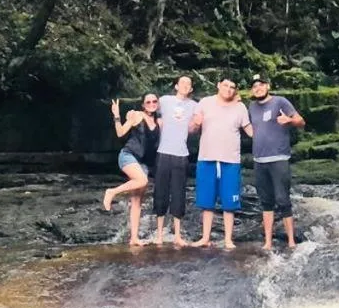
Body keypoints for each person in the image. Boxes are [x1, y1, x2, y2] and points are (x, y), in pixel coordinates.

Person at [190, 78, 252, 250]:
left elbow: (250, 130)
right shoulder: (205, 102)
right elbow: (193, 128)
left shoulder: (240, 107)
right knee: (206, 201)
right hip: (206, 157)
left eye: (232, 87)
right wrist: (196, 123)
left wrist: (270, 131)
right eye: (225, 85)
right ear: (218, 85)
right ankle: (205, 238)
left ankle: (228, 239)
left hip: (230, 160)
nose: (228, 89)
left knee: (229, 204)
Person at [247, 73, 305, 250]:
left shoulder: (280, 102)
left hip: (279, 158)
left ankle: (291, 241)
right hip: (259, 160)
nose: (258, 88)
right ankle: (268, 242)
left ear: (268, 86)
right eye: (255, 86)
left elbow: (301, 121)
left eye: (261, 85)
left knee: (283, 200)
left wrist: (290, 120)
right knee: (266, 202)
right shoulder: (251, 107)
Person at [103, 94, 160, 246]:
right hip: (128, 155)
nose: (152, 104)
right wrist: (117, 116)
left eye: (154, 101)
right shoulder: (137, 116)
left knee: (137, 200)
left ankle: (134, 238)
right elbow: (120, 132)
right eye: (148, 102)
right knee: (142, 180)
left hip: (143, 163)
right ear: (143, 105)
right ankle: (112, 192)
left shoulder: (158, 121)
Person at [154, 76, 197, 246]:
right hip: (163, 152)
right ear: (176, 86)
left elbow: (200, 120)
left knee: (179, 193)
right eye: (182, 83)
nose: (185, 85)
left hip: (181, 154)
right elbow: (149, 107)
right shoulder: (165, 100)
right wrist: (157, 119)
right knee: (161, 192)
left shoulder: (194, 105)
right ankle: (159, 234)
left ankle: (177, 235)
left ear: (191, 89)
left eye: (189, 84)